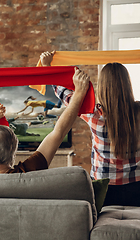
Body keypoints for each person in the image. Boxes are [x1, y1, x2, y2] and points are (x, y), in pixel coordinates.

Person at [41, 51, 140, 207]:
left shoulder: (92, 113)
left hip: (103, 189)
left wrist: (47, 66)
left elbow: (62, 92)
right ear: (128, 84)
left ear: (102, 86)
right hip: (136, 188)